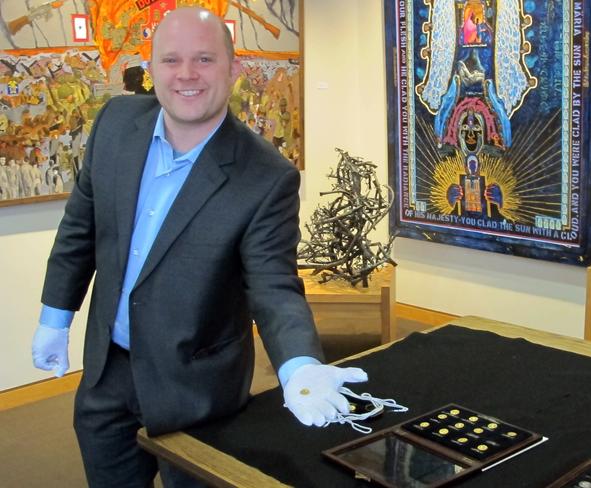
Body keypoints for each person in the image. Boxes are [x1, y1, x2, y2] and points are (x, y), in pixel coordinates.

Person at [31, 7, 367, 487]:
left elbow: (273, 284)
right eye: (171, 60)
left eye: (205, 59)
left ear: (234, 70)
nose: (186, 74)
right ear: (151, 70)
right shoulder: (115, 124)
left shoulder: (266, 176)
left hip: (198, 390)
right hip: (108, 375)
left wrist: (299, 366)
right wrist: (54, 316)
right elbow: (80, 228)